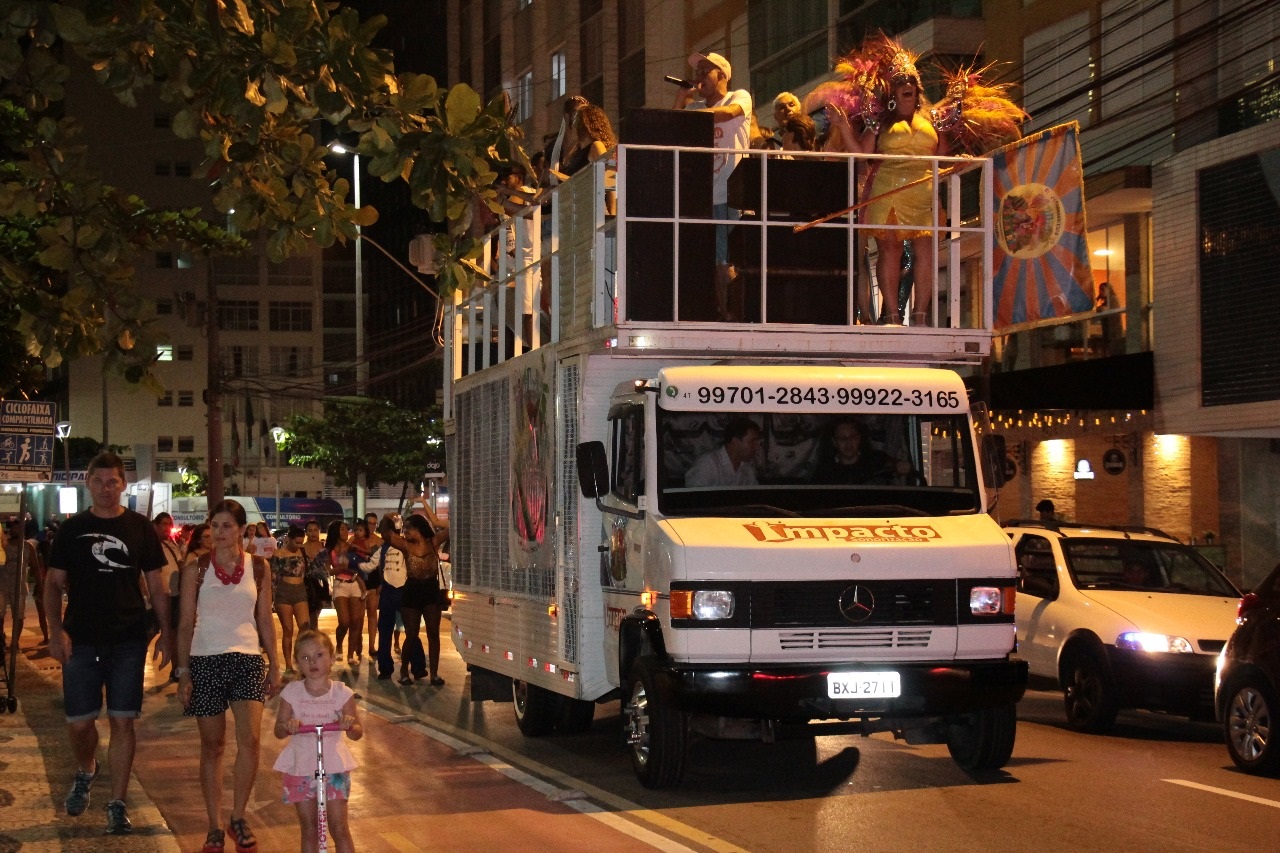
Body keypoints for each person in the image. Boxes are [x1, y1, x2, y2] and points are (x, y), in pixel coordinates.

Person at [43, 451, 172, 835]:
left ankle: (117, 802)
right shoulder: (72, 529)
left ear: (123, 484)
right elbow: (53, 583)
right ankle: (87, 769)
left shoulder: (140, 528)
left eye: (112, 481)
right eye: (98, 481)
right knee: (80, 725)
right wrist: (54, 629)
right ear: (88, 483)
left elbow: (157, 586)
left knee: (122, 721)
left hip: (128, 640)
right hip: (80, 640)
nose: (105, 488)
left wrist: (166, 632)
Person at [176, 498, 280, 853]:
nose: (219, 533)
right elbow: (185, 622)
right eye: (215, 526)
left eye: (227, 526)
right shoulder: (196, 569)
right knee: (213, 745)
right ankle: (214, 825)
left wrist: (276, 664)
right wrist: (183, 670)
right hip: (205, 659)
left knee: (250, 739)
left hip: (248, 658)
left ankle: (238, 816)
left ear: (241, 530)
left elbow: (265, 618)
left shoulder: (260, 568)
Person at [673, 51, 753, 321]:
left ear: (722, 75)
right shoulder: (695, 110)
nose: (698, 77)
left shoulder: (739, 97)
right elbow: (669, 130)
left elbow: (729, 113)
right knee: (716, 261)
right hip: (704, 196)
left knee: (732, 260)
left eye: (704, 71)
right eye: (697, 72)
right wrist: (682, 99)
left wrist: (694, 113)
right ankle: (724, 314)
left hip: (735, 194)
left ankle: (737, 313)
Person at [273, 629, 362, 853]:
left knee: (339, 827)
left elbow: (357, 732)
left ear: (332, 658)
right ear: (297, 663)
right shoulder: (292, 692)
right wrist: (288, 726)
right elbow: (279, 730)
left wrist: (348, 724)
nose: (313, 662)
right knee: (309, 828)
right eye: (305, 658)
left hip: (334, 766)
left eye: (319, 655)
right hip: (300, 766)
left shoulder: (342, 693)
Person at [382, 507, 449, 686]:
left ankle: (434, 674)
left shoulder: (433, 542)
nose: (405, 532)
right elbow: (386, 535)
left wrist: (436, 520)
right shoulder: (405, 545)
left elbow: (452, 528)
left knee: (433, 633)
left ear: (419, 529)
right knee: (411, 635)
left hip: (430, 589)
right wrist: (386, 518)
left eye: (408, 528)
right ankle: (404, 670)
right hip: (412, 590)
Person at [319, 519, 366, 665]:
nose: (346, 532)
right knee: (344, 621)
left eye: (346, 529)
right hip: (340, 584)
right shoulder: (329, 550)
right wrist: (341, 568)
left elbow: (362, 563)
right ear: (335, 532)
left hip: (355, 583)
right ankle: (339, 645)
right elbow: (328, 570)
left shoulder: (352, 547)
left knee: (356, 621)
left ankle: (350, 655)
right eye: (342, 529)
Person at [367, 514, 407, 681]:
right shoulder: (384, 547)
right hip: (390, 591)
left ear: (389, 531)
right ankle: (386, 667)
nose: (381, 534)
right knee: (386, 631)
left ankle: (411, 666)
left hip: (401, 590)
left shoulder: (405, 545)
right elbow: (370, 565)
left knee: (407, 632)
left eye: (382, 530)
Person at [271, 526, 311, 678]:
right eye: (296, 542)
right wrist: (273, 596)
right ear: (289, 539)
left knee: (304, 626)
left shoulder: (303, 551)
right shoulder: (279, 554)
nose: (298, 546)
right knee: (288, 629)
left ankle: (300, 658)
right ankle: (288, 664)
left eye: (301, 543)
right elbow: (273, 577)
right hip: (284, 591)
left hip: (300, 590)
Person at [813, 418, 894, 484]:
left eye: (852, 437)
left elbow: (893, 464)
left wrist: (899, 465)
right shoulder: (825, 471)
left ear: (859, 438)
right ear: (834, 442)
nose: (848, 442)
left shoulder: (875, 458)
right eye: (842, 438)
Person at [686, 417, 761, 488]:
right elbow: (693, 497)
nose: (757, 447)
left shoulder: (746, 466)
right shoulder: (707, 463)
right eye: (752, 441)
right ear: (735, 442)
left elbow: (755, 492)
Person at [154, 512, 184, 633]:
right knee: (155, 629)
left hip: (175, 592)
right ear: (156, 525)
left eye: (169, 524)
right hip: (161, 593)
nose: (167, 527)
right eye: (164, 524)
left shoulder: (172, 543)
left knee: (172, 628)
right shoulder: (152, 544)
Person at [302, 520, 328, 631]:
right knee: (310, 613)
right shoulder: (301, 548)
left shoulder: (325, 547)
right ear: (306, 532)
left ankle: (313, 632)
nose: (313, 533)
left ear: (319, 531)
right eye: (310, 530)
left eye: (315, 530)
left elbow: (329, 566)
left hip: (322, 583)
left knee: (317, 610)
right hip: (306, 583)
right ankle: (312, 634)